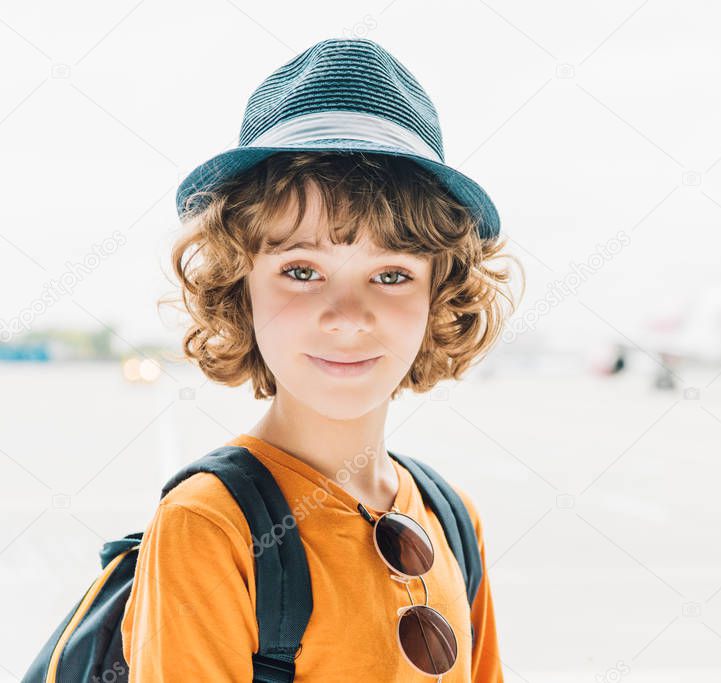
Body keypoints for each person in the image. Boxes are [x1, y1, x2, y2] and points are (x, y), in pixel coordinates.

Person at [121, 37, 523, 681]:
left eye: (391, 275)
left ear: (438, 297)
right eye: (302, 270)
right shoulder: (209, 527)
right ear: (238, 286)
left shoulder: (451, 517)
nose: (347, 316)